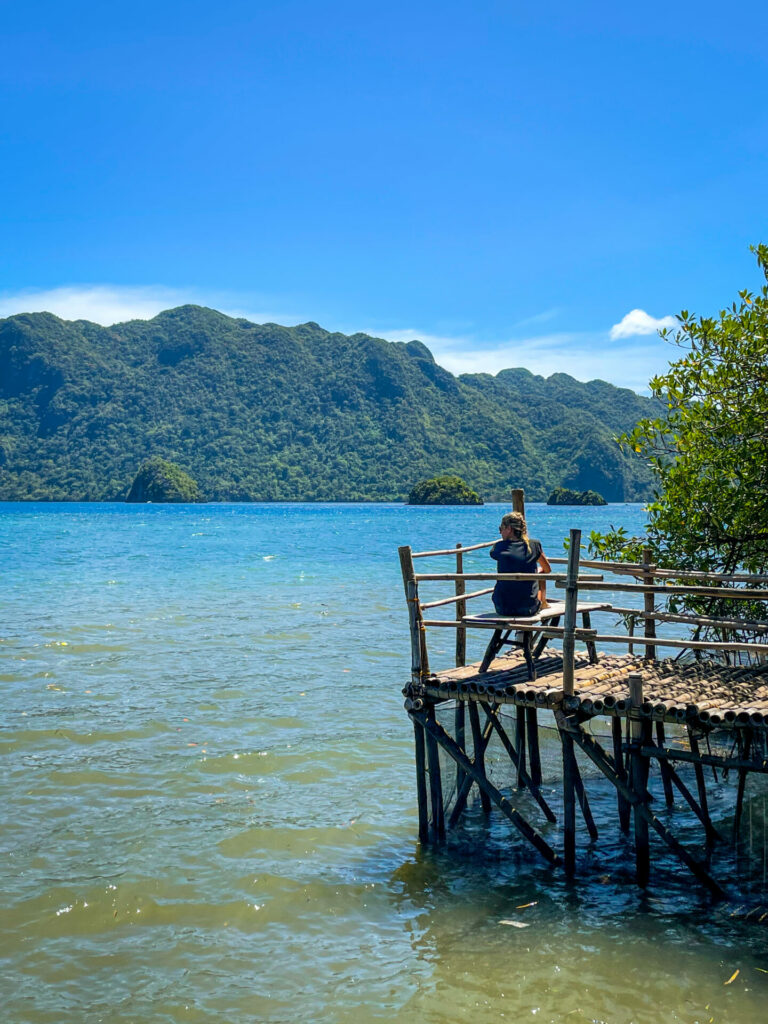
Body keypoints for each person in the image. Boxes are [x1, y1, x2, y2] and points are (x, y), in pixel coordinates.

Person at [490, 511, 551, 616]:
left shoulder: (499, 547)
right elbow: (547, 569)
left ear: (509, 529)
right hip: (528, 608)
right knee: (541, 575)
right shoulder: (534, 545)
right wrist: (537, 572)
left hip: (503, 608)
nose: (500, 533)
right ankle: (543, 603)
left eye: (501, 529)